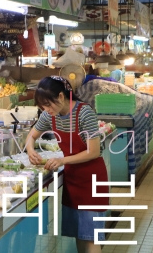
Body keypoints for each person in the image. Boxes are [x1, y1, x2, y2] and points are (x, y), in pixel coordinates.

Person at [25, 76, 109, 253]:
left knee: (91, 238)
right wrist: (30, 149)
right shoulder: (50, 115)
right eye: (42, 107)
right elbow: (31, 135)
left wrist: (62, 160)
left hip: (92, 179)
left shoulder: (84, 113)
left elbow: (93, 151)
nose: (46, 110)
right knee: (80, 234)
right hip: (73, 180)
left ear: (61, 96)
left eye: (48, 104)